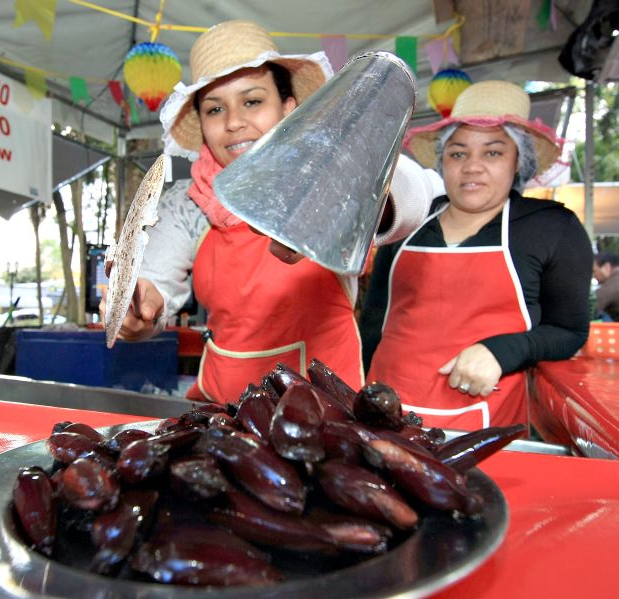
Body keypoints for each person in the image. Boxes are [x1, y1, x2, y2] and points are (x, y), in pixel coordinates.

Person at [102, 20, 442, 404]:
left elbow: (416, 190)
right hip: (223, 410)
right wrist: (139, 308)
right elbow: (155, 285)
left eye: (252, 101)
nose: (233, 123)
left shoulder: (331, 172)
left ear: (289, 108)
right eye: (215, 109)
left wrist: (339, 209)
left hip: (324, 412)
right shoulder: (189, 200)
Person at [360, 80, 593, 431]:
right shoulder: (409, 219)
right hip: (384, 415)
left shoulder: (552, 227)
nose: (472, 166)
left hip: (483, 424)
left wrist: (503, 350)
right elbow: (373, 324)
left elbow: (569, 331)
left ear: (519, 161)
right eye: (458, 153)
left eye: (493, 152)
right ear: (443, 162)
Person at [593, 251, 619, 321]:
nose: (594, 276)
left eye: (594, 271)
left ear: (607, 267)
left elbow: (591, 306)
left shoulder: (614, 282)